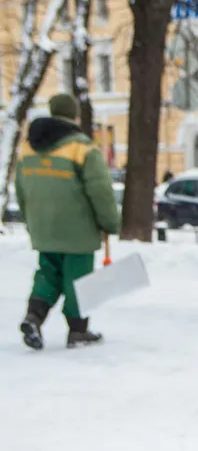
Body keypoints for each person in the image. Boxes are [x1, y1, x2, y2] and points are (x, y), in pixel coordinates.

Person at [16, 93, 121, 350]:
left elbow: (20, 189)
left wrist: (31, 221)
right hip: (78, 228)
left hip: (43, 226)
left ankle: (34, 316)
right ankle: (77, 331)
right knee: (79, 279)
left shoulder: (28, 147)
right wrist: (109, 222)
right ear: (74, 115)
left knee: (48, 273)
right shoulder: (82, 147)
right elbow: (100, 190)